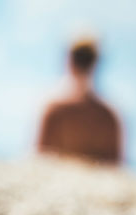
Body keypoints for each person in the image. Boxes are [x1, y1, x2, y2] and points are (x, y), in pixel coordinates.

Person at [37, 37, 123, 165]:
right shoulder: (109, 116)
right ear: (96, 63)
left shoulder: (55, 108)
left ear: (69, 61)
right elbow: (116, 167)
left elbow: (39, 158)